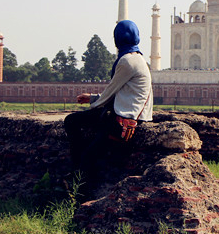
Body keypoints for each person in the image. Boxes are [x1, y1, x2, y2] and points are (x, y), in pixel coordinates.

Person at [64, 20, 153, 177]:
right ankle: (79, 166)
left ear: (118, 38)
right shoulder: (137, 58)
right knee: (73, 121)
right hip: (125, 114)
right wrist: (92, 98)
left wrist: (94, 102)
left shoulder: (128, 60)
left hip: (125, 120)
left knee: (88, 156)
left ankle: (79, 186)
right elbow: (119, 92)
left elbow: (111, 90)